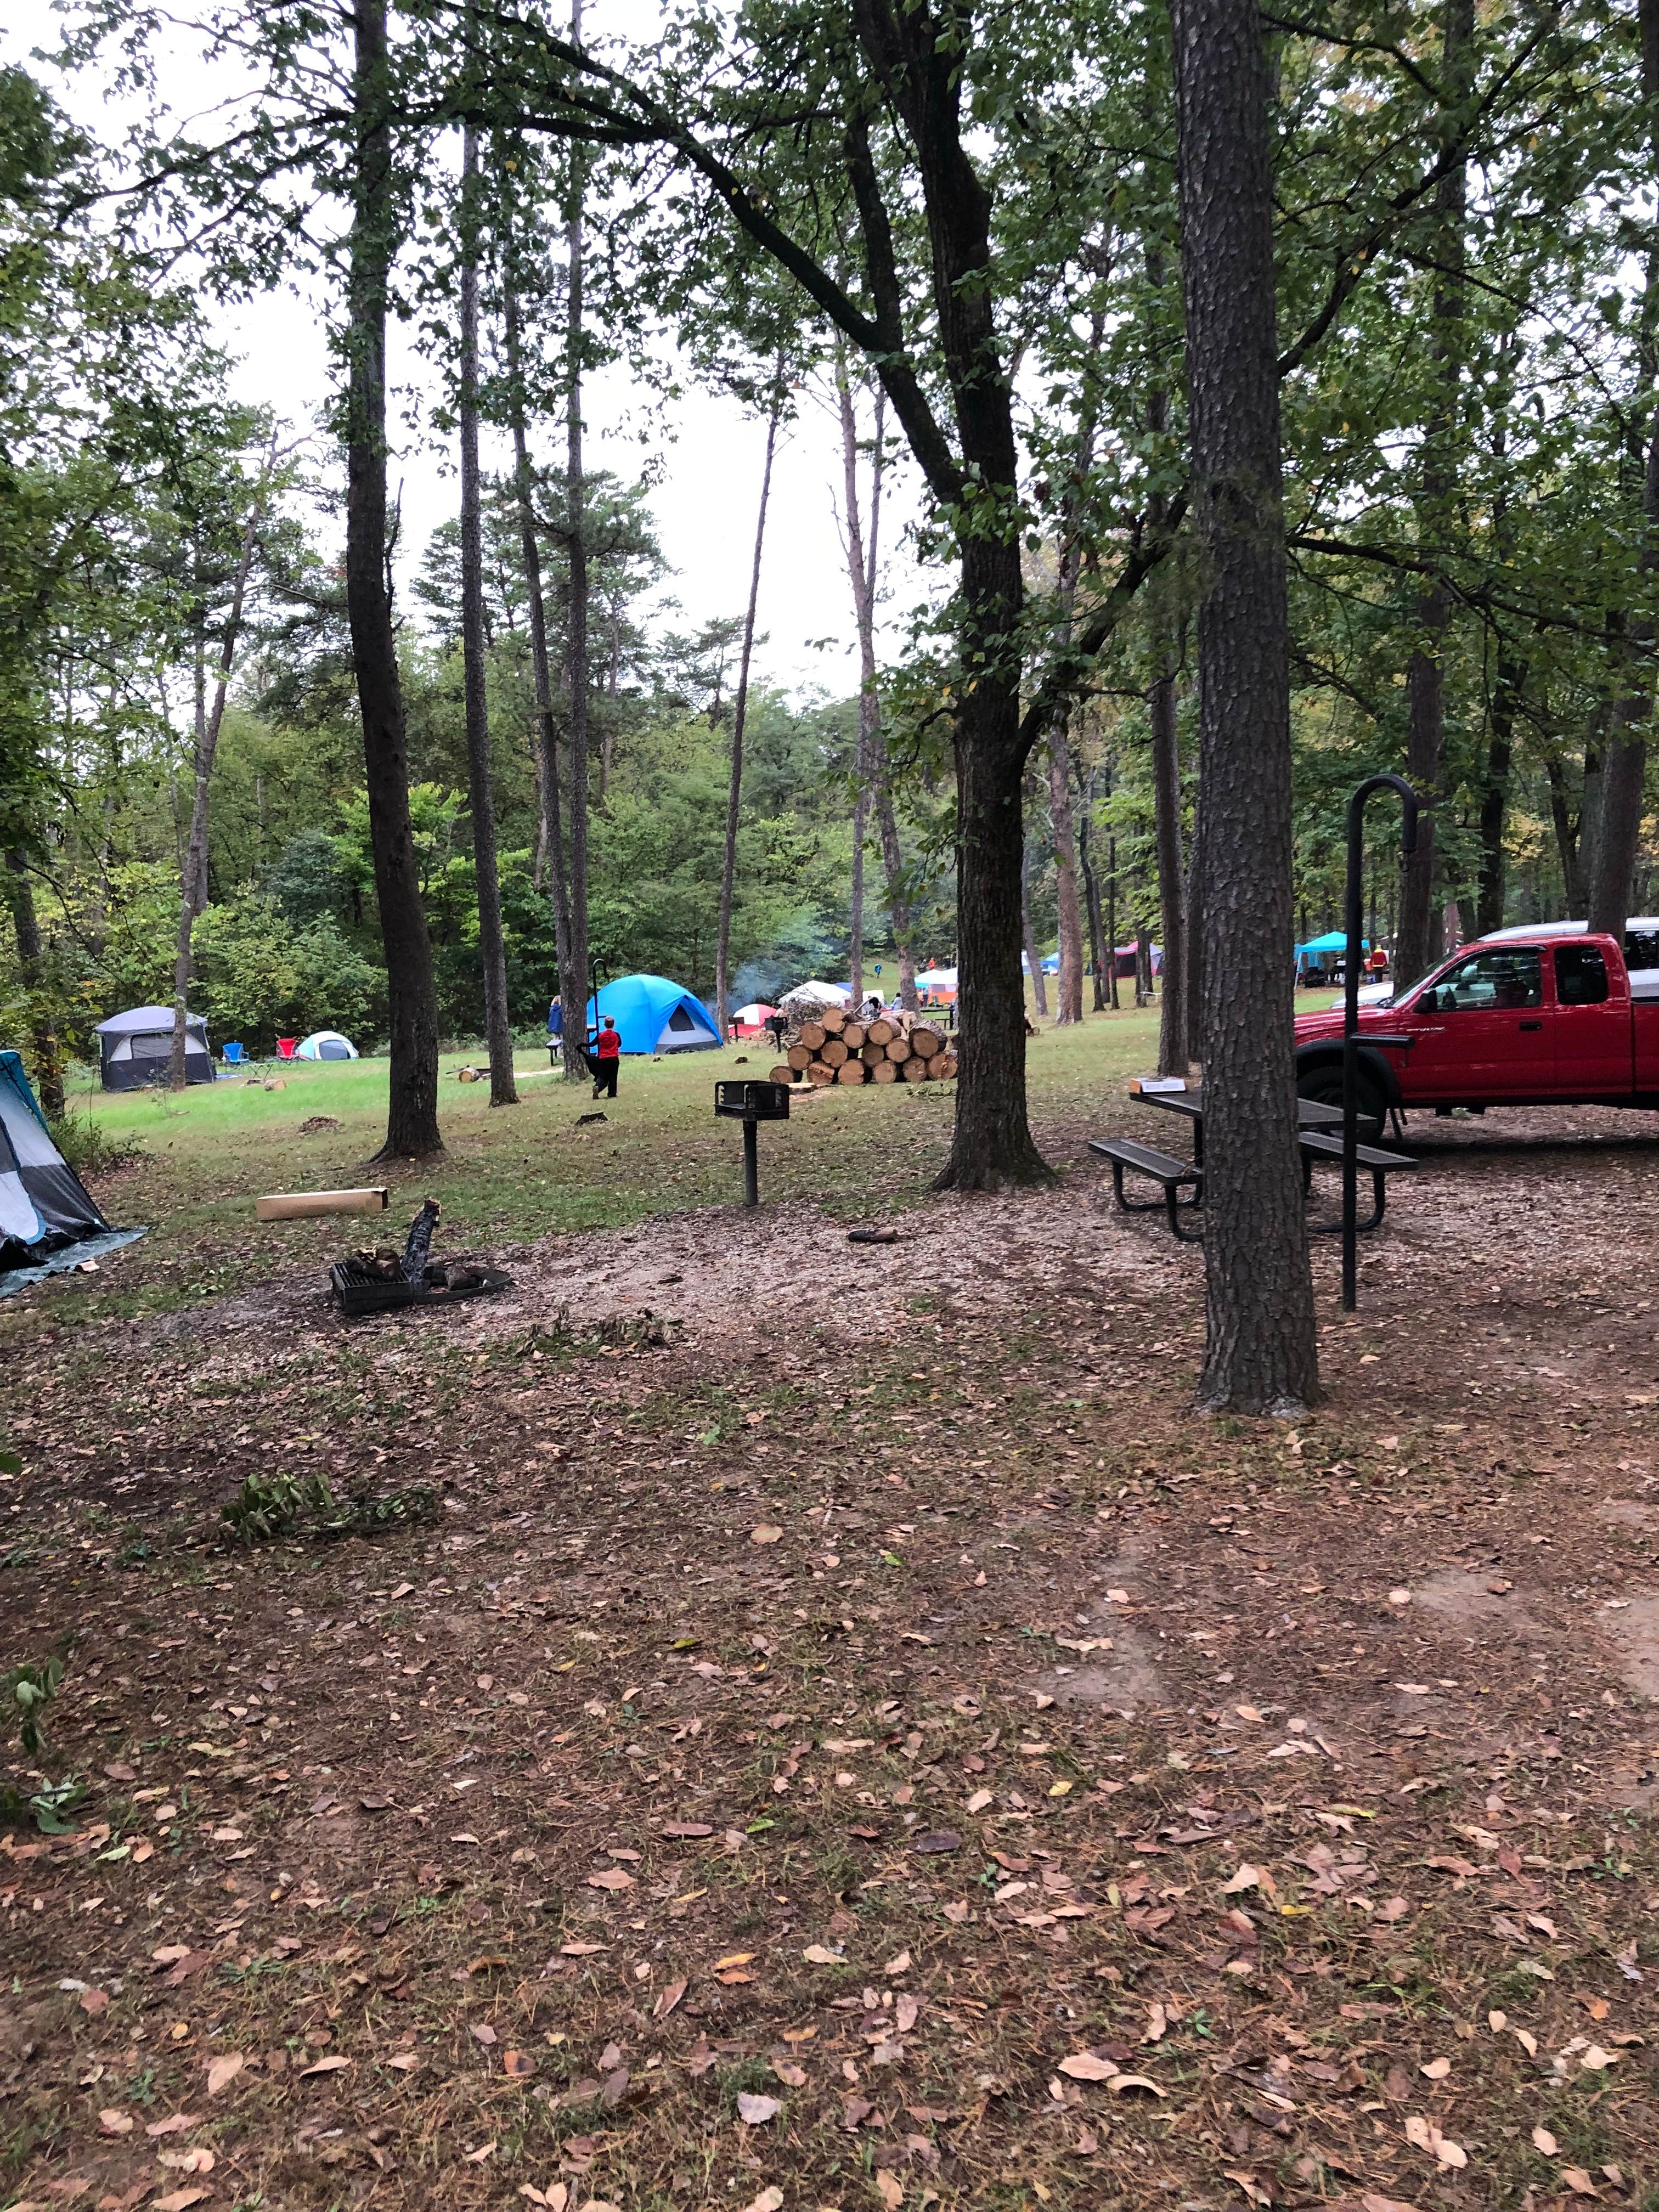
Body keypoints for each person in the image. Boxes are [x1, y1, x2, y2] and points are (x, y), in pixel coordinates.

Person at [590, 1014, 621, 1099]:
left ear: (604, 1025)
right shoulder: (616, 1035)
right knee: (613, 1076)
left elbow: (593, 1043)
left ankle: (598, 1087)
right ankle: (612, 1094)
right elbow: (619, 1044)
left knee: (603, 1076)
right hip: (614, 1058)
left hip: (603, 1058)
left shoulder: (601, 1035)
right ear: (613, 1025)